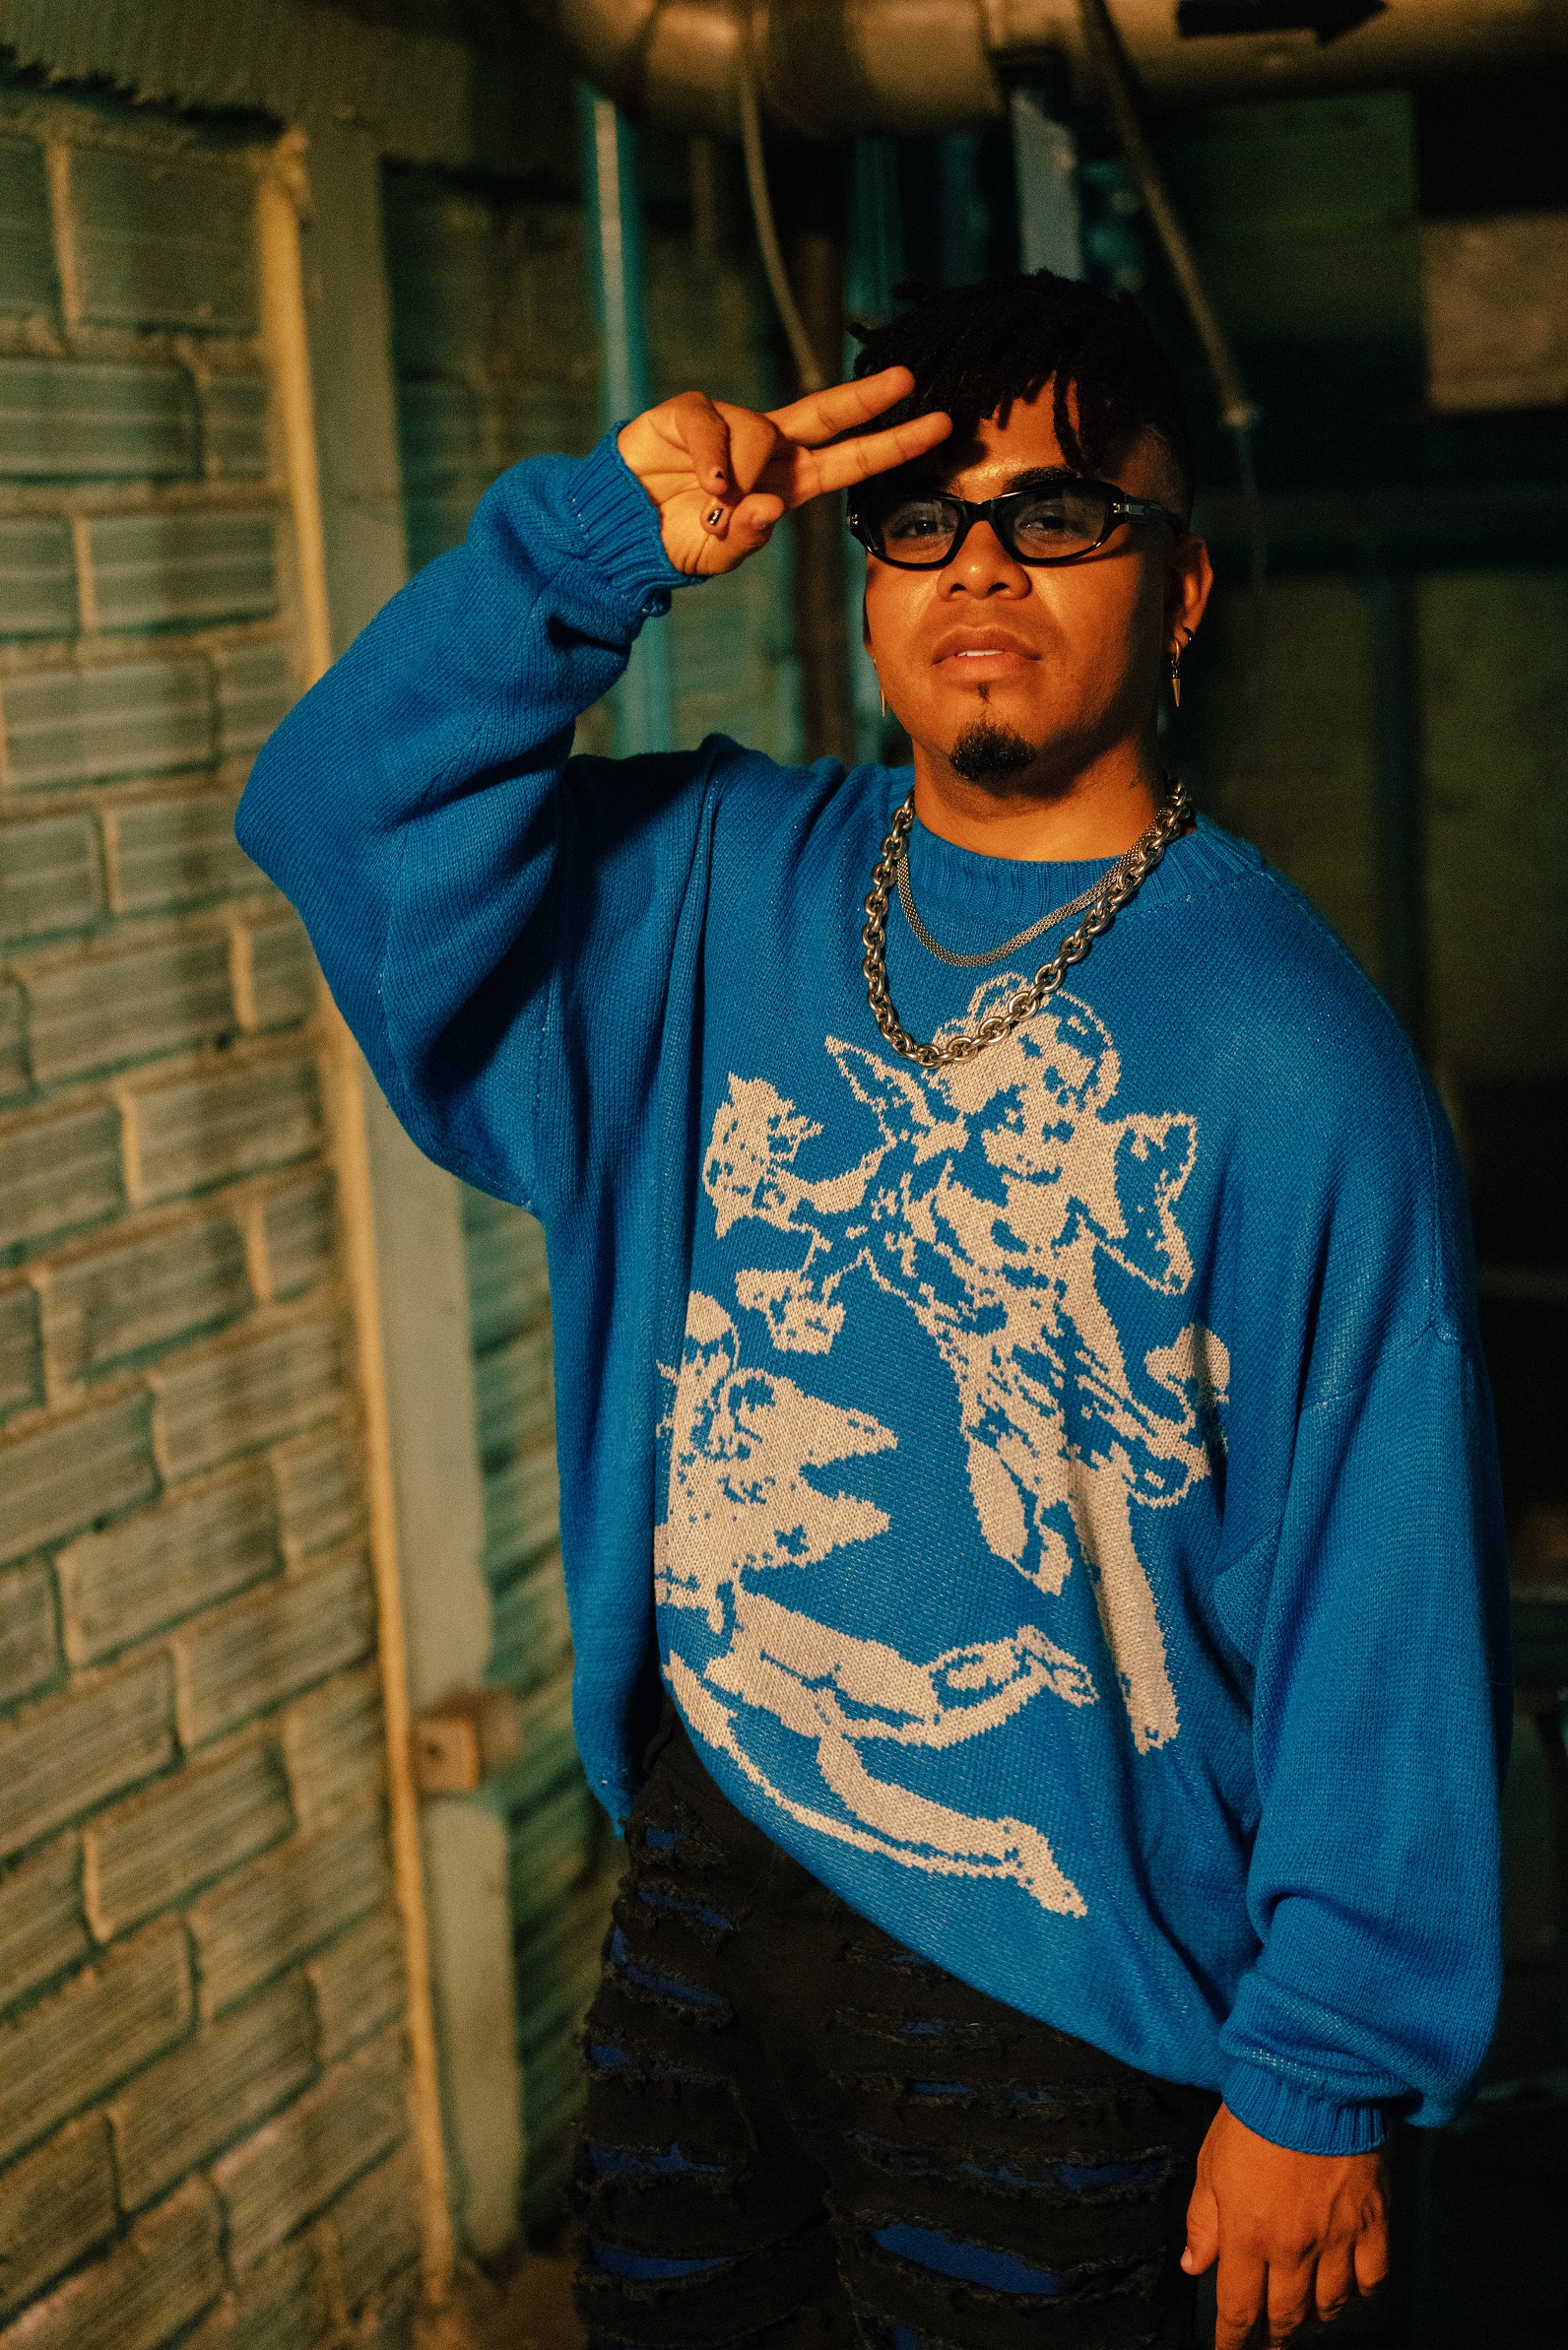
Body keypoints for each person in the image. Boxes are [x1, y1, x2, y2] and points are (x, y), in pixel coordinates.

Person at [237, 269, 1509, 2350]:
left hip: (1075, 1992)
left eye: (1060, 510)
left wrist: (1324, 2066)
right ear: (865, 583)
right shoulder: (710, 883)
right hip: (708, 1894)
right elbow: (332, 812)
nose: (979, 562)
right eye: (922, 517)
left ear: (1181, 588)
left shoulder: (1297, 1055)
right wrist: (598, 547)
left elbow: (1385, 1584)